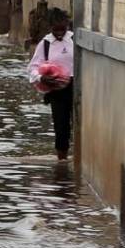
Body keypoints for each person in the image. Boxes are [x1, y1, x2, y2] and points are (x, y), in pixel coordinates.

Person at [28, 9, 75, 161]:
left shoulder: (75, 39)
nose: (60, 32)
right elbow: (33, 67)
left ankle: (78, 157)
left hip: (75, 86)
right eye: (56, 29)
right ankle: (62, 159)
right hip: (56, 89)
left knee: (78, 124)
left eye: (63, 28)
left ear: (67, 25)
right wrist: (41, 78)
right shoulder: (45, 44)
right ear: (50, 27)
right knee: (61, 126)